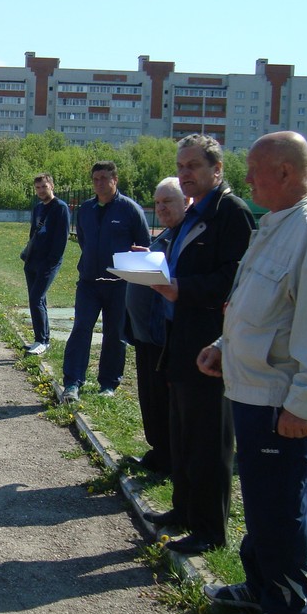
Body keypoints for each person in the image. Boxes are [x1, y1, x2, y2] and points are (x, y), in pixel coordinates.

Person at [199, 131, 307, 614]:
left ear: (286, 172)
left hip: (281, 402)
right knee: (263, 500)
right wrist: (223, 344)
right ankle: (260, 585)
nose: (247, 179)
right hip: (251, 390)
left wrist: (303, 403)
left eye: (255, 170)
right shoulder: (277, 226)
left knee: (281, 503)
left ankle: (289, 611)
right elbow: (253, 302)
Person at [146, 135, 256, 556]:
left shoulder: (232, 213)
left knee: (209, 439)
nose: (185, 173)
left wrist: (182, 289)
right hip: (179, 339)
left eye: (193, 166)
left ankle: (210, 529)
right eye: (181, 166)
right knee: (182, 431)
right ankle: (183, 510)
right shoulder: (193, 215)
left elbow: (237, 279)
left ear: (217, 169)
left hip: (210, 342)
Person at [62, 161, 149, 401]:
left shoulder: (130, 210)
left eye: (104, 178)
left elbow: (144, 246)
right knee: (81, 329)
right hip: (89, 282)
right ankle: (72, 383)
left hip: (119, 284)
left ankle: (108, 384)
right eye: (95, 179)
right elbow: (83, 241)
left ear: (115, 180)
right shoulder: (86, 209)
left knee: (114, 333)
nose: (99, 183)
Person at [124, 178, 188, 475]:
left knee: (165, 401)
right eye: (158, 202)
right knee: (150, 398)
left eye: (168, 201)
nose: (161, 208)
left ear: (186, 202)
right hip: (146, 334)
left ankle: (170, 458)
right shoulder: (165, 235)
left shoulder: (186, 236)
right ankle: (159, 452)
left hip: (166, 336)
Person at [22, 172, 70, 355]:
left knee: (36, 299)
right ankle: (40, 338)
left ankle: (43, 340)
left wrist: (51, 261)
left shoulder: (60, 208)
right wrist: (29, 258)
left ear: (52, 186)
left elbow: (61, 238)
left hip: (48, 262)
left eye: (44, 186)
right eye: (38, 187)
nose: (41, 190)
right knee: (36, 299)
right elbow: (32, 233)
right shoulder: (37, 208)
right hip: (33, 261)